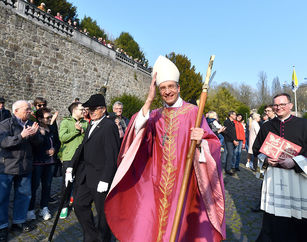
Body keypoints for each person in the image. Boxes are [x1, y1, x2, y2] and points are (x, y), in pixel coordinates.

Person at [104, 56, 225, 241]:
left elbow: (214, 144)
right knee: (150, 225)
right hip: (155, 182)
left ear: (178, 88)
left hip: (184, 182)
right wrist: (149, 99)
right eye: (163, 88)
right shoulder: (154, 115)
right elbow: (136, 134)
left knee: (181, 229)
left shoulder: (193, 112)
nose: (167, 92)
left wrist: (202, 141)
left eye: (170, 87)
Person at [65, 94, 120, 242]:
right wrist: (70, 167)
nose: (91, 112)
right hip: (86, 175)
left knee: (103, 214)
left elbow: (112, 155)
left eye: (95, 109)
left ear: (103, 109)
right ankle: (92, 236)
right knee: (79, 204)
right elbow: (82, 147)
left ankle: (105, 239)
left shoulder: (109, 126)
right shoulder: (92, 123)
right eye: (90, 110)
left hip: (101, 177)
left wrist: (106, 179)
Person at [253, 93, 307, 242]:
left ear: (290, 105)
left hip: (297, 179)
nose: (279, 108)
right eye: (276, 105)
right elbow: (257, 149)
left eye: (282, 104)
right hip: (274, 179)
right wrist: (266, 159)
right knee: (273, 219)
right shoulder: (266, 126)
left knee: (298, 218)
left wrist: (295, 162)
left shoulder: (304, 125)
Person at [0, 100, 42, 241]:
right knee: (2, 198)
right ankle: (2, 226)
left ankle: (18, 221)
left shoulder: (30, 124)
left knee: (24, 195)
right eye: (27, 109)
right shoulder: (5, 124)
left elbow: (38, 144)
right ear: (16, 110)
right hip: (7, 167)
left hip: (25, 166)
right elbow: (3, 142)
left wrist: (35, 135)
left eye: (30, 109)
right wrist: (21, 136)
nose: (30, 111)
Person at [27, 108, 60, 221]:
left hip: (50, 162)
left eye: (50, 117)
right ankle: (30, 209)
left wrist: (54, 149)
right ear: (40, 119)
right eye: (47, 117)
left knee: (47, 185)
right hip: (38, 162)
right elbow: (32, 146)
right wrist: (44, 148)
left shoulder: (51, 128)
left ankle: (44, 207)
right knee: (34, 186)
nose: (49, 119)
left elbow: (58, 142)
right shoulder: (35, 129)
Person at [58, 102, 88, 219]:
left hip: (82, 157)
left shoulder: (86, 123)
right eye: (81, 109)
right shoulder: (66, 122)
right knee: (66, 183)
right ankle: (64, 206)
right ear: (74, 110)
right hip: (69, 157)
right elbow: (62, 138)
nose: (84, 111)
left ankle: (76, 203)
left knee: (79, 182)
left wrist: (83, 131)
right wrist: (75, 131)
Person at [223, 111, 238, 175]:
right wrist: (233, 140)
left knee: (232, 154)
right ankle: (227, 169)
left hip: (233, 140)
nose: (236, 116)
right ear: (230, 115)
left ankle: (230, 167)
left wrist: (235, 139)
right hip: (229, 140)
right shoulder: (227, 122)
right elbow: (228, 133)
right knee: (230, 154)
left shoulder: (232, 122)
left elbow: (233, 132)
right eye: (234, 115)